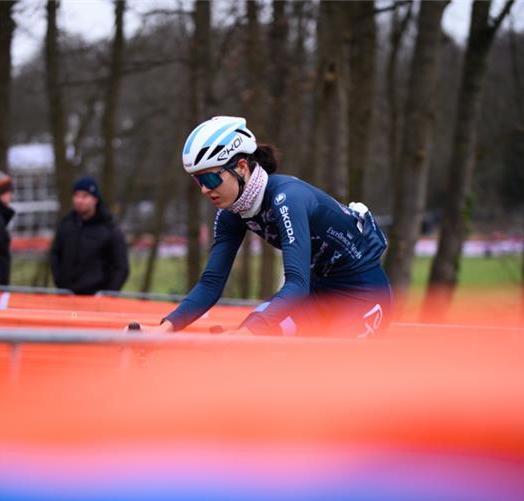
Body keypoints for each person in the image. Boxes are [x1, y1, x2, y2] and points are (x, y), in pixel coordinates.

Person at [128, 116, 392, 337]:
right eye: (198, 181)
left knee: (323, 374)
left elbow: (296, 284)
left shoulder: (287, 198)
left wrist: (247, 333)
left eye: (210, 177)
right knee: (257, 351)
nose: (205, 189)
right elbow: (211, 284)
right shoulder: (233, 212)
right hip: (317, 294)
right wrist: (164, 329)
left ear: (241, 167)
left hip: (363, 296)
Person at [50, 176, 129, 294]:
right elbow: (55, 254)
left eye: (85, 196)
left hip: (96, 300)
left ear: (95, 199)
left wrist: (108, 294)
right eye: (77, 195)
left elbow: (121, 266)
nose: (79, 200)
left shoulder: (110, 228)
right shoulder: (66, 224)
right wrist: (60, 283)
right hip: (67, 296)